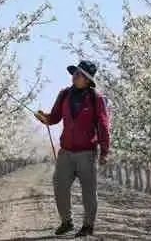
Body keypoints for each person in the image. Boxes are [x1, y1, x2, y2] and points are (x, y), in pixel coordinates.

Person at [35, 60, 110, 237]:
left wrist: (105, 151)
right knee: (59, 185)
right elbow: (54, 118)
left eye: (79, 74)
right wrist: (44, 117)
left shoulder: (96, 98)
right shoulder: (64, 94)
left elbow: (103, 125)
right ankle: (66, 222)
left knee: (89, 191)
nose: (75, 76)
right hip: (66, 152)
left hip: (87, 152)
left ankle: (88, 226)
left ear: (87, 80)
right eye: (75, 73)